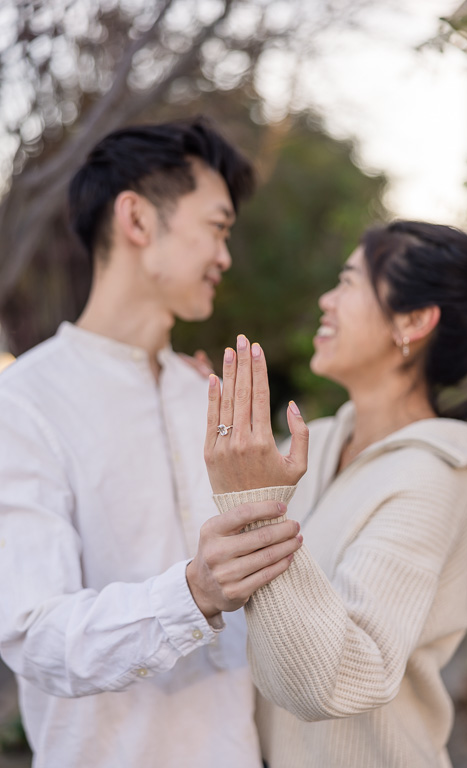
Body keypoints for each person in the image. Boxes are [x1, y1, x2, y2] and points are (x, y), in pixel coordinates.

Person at [0, 118, 303, 768]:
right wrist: (193, 593)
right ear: (137, 220)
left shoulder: (205, 398)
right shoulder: (23, 403)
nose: (226, 255)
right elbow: (32, 635)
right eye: (217, 227)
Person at [203, 221, 467, 768]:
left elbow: (338, 682)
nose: (327, 298)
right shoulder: (316, 443)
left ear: (413, 320)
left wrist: (253, 508)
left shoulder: (435, 476)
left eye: (348, 282)